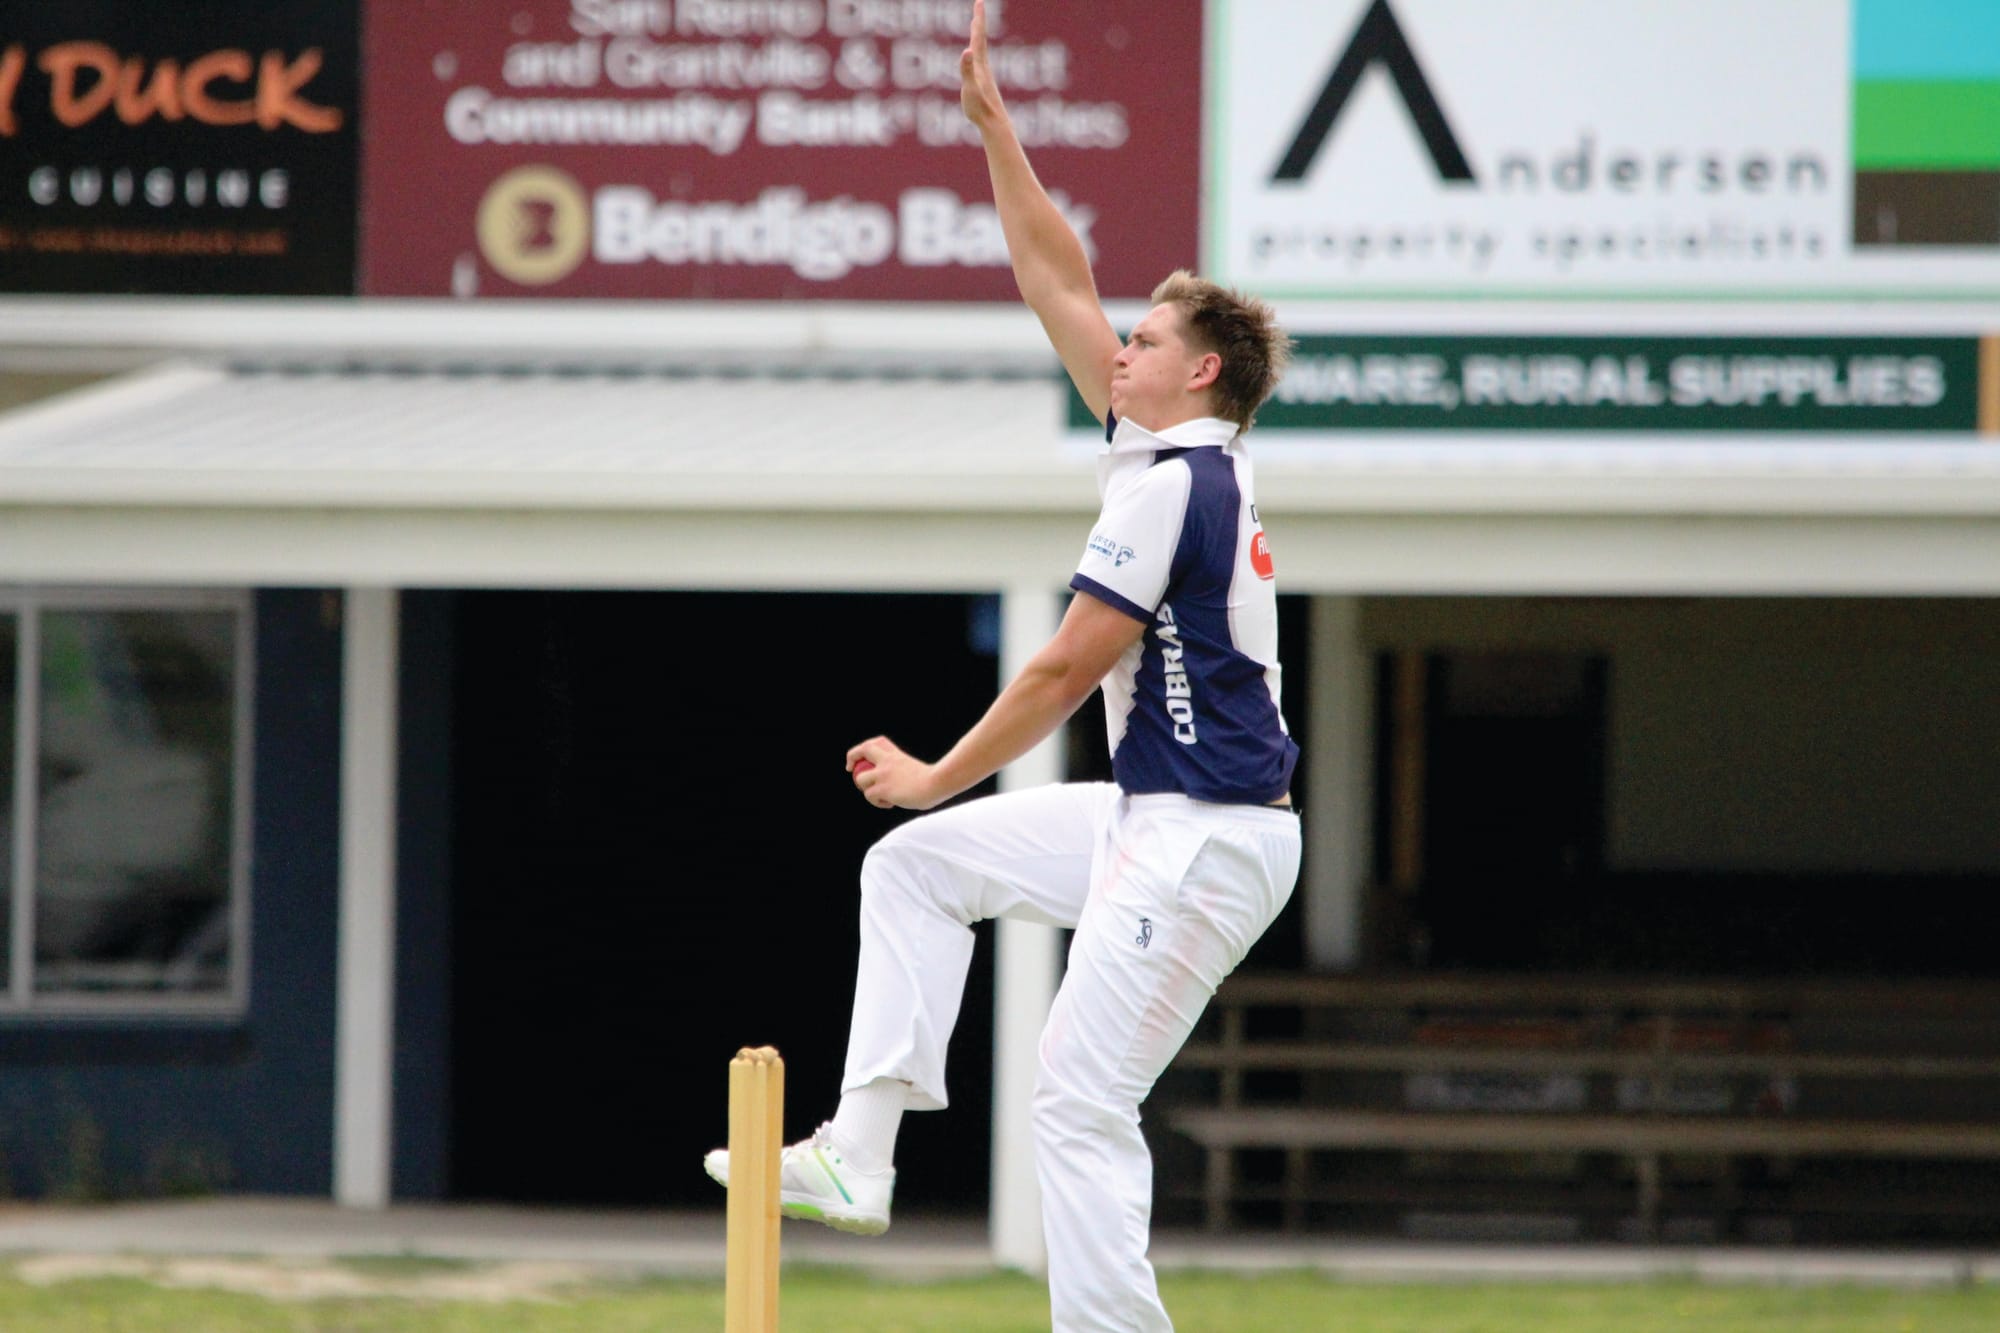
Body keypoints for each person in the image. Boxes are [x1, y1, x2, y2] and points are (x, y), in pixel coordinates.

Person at [704, 3, 1301, 1327]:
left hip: (1203, 838)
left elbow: (1059, 674)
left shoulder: (1175, 490)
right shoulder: (1168, 447)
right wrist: (995, 128)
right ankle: (857, 1156)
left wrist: (935, 772)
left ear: (1197, 371)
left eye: (1142, 342)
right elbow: (1055, 277)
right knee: (914, 871)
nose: (1114, 347)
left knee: (1078, 1102)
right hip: (1159, 816)